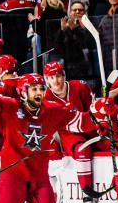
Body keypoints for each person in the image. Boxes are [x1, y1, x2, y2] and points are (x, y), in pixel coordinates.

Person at [0, 69, 114, 203]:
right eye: (34, 89)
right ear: (22, 92)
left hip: (40, 179)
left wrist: (98, 111)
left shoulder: (52, 110)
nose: (39, 92)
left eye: (41, 88)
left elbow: (81, 123)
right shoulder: (8, 106)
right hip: (12, 177)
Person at [42, 61, 98, 192]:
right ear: (47, 81)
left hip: (89, 127)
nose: (55, 81)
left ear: (64, 76)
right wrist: (52, 144)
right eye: (51, 77)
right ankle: (87, 192)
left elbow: (93, 112)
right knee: (82, 150)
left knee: (110, 143)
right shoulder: (45, 99)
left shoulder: (80, 87)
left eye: (58, 76)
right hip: (67, 134)